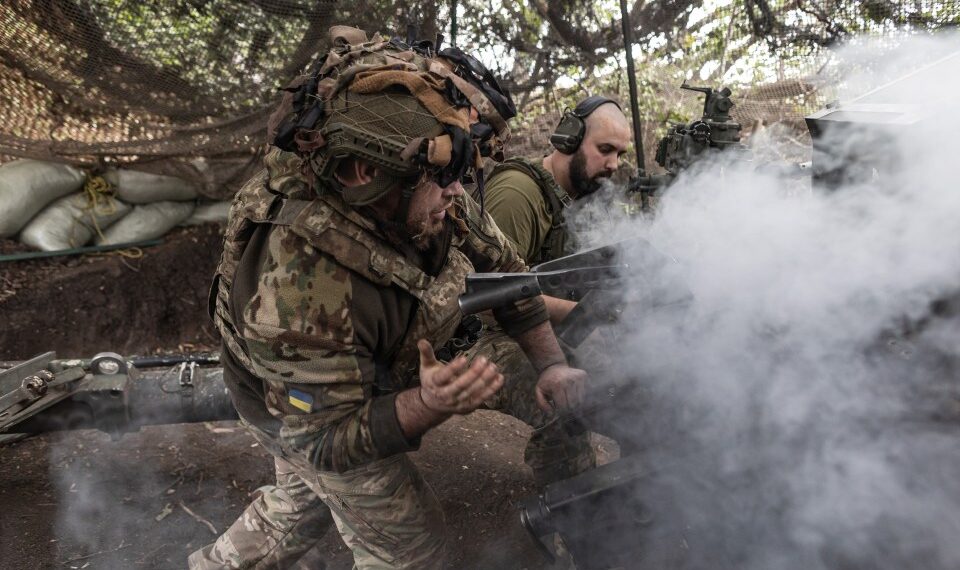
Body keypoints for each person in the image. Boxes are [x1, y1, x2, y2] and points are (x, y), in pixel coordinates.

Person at [189, 26, 594, 570]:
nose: (460, 191)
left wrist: (550, 365)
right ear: (365, 174)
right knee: (407, 546)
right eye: (443, 178)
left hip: (371, 369)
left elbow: (508, 274)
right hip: (297, 407)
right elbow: (325, 440)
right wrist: (428, 405)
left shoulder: (432, 186)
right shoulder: (296, 288)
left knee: (302, 505)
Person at [482, 96, 632, 265]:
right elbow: (494, 288)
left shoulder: (582, 196)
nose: (614, 164)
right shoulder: (515, 195)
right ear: (570, 139)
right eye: (605, 149)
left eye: (619, 155)